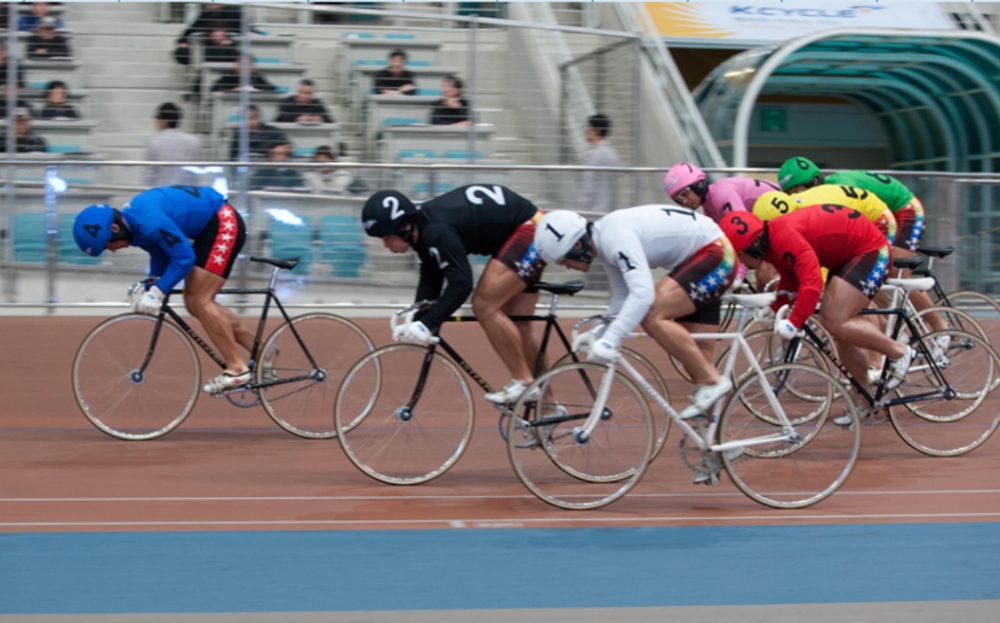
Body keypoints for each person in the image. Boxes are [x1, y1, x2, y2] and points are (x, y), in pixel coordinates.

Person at [535, 207, 737, 426]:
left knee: (652, 314)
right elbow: (622, 296)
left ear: (577, 245)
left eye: (563, 260)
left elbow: (642, 294)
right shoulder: (604, 242)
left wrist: (611, 339)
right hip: (704, 257)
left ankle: (711, 382)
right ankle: (719, 446)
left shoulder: (615, 237)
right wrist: (597, 332)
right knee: (696, 358)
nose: (566, 267)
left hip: (716, 253)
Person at [361, 185, 547, 404]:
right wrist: (416, 318)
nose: (386, 246)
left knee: (484, 306)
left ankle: (525, 383)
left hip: (529, 229)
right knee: (519, 329)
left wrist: (426, 323)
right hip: (528, 227)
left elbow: (461, 283)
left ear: (405, 228)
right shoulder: (422, 230)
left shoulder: (436, 230)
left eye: (387, 238)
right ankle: (549, 409)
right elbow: (431, 278)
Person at [72, 186, 253, 395]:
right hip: (212, 223)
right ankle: (263, 351)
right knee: (195, 303)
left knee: (200, 300)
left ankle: (237, 369)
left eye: (107, 245)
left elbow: (184, 258)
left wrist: (158, 292)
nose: (110, 250)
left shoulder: (148, 221)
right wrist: (152, 286)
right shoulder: (134, 225)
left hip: (223, 221)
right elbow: (160, 253)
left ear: (114, 228)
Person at [718, 208, 914, 392]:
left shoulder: (784, 237)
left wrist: (795, 322)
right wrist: (776, 306)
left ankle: (899, 352)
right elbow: (791, 277)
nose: (740, 262)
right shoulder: (773, 242)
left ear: (755, 244)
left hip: (870, 249)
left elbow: (812, 281)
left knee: (835, 319)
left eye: (740, 255)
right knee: (840, 334)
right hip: (847, 254)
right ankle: (863, 396)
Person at [777, 156, 944, 331]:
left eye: (798, 192)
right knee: (862, 274)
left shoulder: (836, 190)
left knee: (893, 273)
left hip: (905, 209)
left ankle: (940, 327)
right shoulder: (824, 192)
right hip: (880, 216)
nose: (797, 199)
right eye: (790, 195)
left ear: (816, 181)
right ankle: (886, 325)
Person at [144, 103, 201, 187]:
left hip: (163, 193)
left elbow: (149, 174)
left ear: (165, 121)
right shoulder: (193, 141)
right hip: (186, 193)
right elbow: (195, 174)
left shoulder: (154, 142)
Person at [174, 3, 242, 65]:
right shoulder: (205, 16)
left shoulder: (235, 15)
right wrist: (183, 41)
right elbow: (190, 32)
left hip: (229, 49)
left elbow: (248, 33)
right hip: (207, 49)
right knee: (182, 52)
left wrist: (230, 40)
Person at [580, 114, 620, 214]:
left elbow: (589, 183)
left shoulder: (593, 154)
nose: (586, 131)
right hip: (609, 207)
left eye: (589, 128)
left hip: (593, 209)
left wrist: (582, 208)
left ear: (596, 131)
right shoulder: (612, 153)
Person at [211, 56, 277, 93]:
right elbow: (215, 88)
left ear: (252, 67)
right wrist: (232, 91)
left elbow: (271, 88)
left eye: (248, 65)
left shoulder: (256, 76)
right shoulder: (228, 75)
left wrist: (256, 90)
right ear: (236, 66)